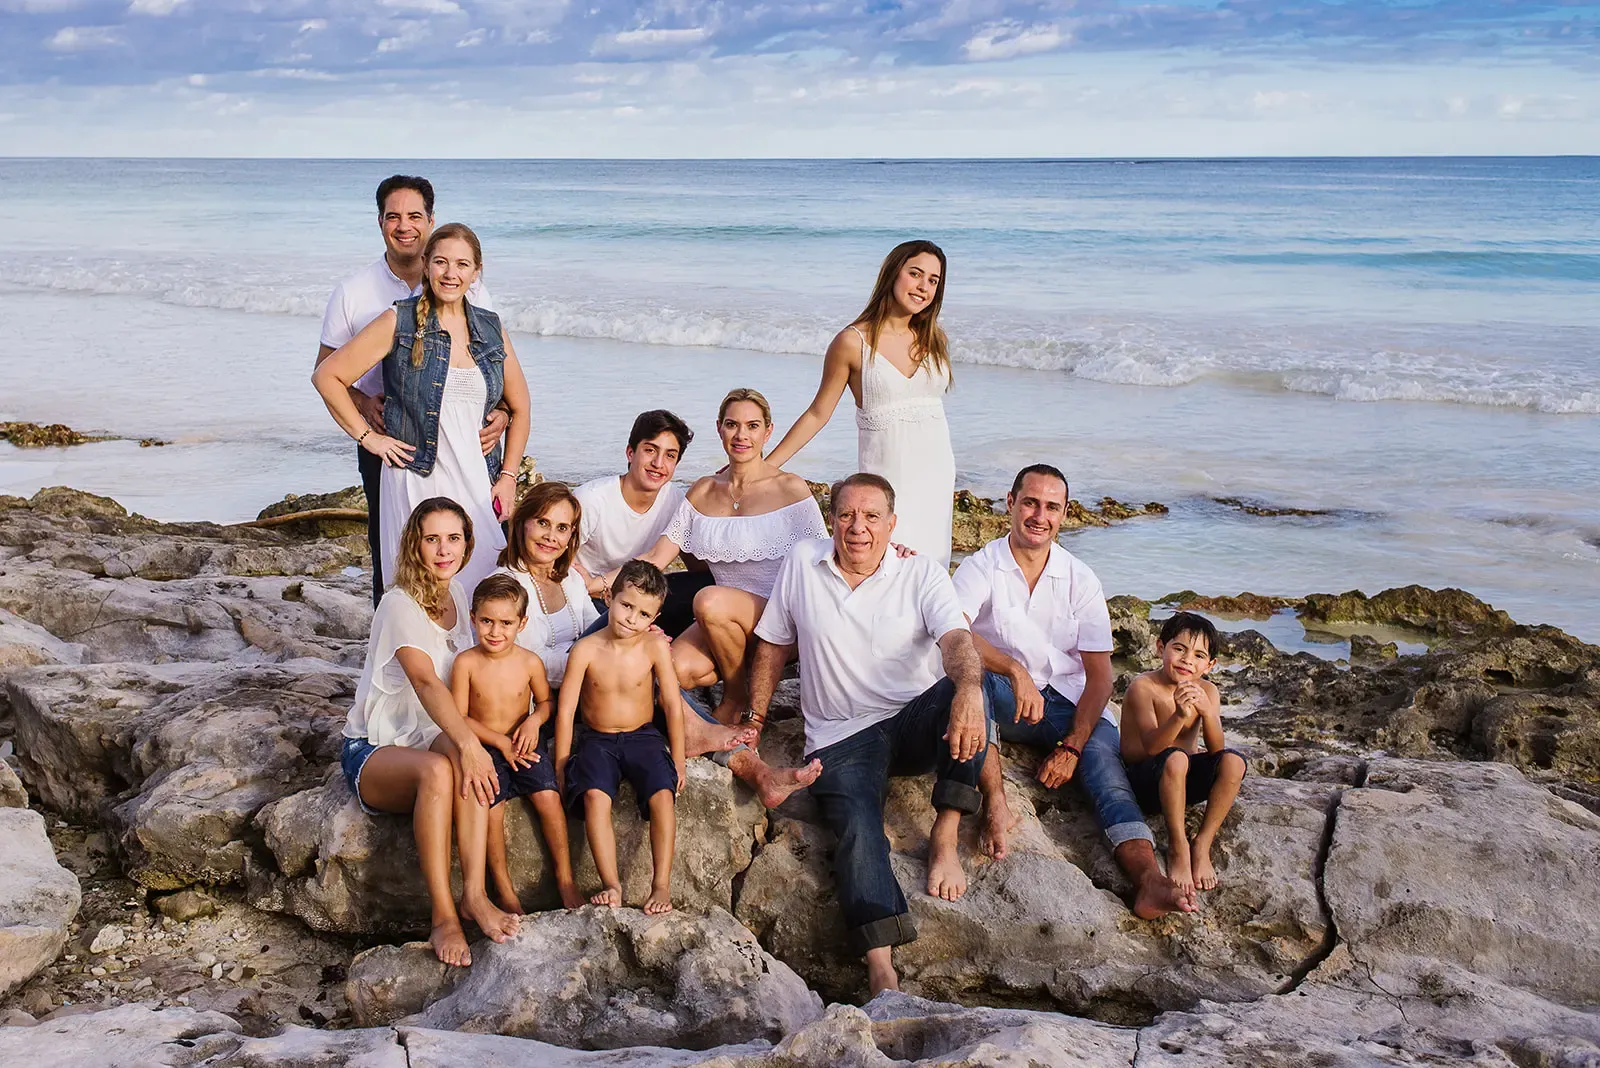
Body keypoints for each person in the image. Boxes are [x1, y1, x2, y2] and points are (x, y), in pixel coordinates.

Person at [745, 473, 989, 996]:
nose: (858, 528)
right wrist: (756, 721)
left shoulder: (919, 570)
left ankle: (944, 834)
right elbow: (770, 644)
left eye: (872, 516)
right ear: (831, 519)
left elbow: (956, 641)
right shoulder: (802, 564)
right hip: (839, 736)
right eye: (847, 515)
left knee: (967, 691)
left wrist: (969, 686)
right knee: (856, 828)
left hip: (910, 720)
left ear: (892, 523)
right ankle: (881, 965)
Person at [952, 463, 1196, 919]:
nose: (1038, 515)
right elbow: (956, 633)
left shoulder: (1081, 578)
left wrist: (1073, 746)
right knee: (969, 685)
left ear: (1064, 515)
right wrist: (1014, 669)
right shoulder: (981, 565)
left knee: (1106, 773)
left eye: (1051, 507)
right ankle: (996, 802)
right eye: (1030, 502)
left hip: (1068, 704)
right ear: (1010, 502)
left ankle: (1148, 880)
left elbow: (1101, 677)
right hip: (1006, 694)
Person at [337, 497, 519, 967]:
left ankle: (474, 896)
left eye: (454, 538)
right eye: (432, 538)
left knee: (470, 764)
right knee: (442, 771)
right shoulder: (399, 603)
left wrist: (486, 740)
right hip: (376, 745)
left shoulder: (458, 595)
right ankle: (442, 916)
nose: (444, 549)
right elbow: (425, 681)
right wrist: (468, 743)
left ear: (467, 543)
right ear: (415, 544)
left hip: (425, 731)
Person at [313, 223, 530, 602]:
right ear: (426, 264)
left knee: (482, 593)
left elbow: (521, 406)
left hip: (477, 481)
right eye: (442, 262)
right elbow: (327, 376)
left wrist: (508, 476)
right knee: (420, 597)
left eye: (462, 264)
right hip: (415, 480)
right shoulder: (399, 321)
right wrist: (369, 438)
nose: (451, 273)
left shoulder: (491, 329)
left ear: (476, 271)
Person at [495, 482, 756, 769]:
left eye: (562, 528)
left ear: (571, 535)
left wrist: (631, 641)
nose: (551, 536)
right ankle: (700, 732)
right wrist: (621, 648)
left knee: (640, 646)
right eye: (543, 523)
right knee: (637, 648)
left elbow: (587, 629)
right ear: (522, 523)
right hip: (554, 698)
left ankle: (756, 771)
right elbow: (534, 664)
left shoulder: (568, 577)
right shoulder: (506, 586)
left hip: (597, 680)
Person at [631, 389, 828, 725]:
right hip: (724, 625)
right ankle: (747, 671)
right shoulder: (703, 490)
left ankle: (737, 695)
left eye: (752, 426)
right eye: (732, 425)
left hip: (780, 620)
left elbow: (824, 559)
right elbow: (657, 555)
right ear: (719, 428)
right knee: (674, 671)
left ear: (768, 432)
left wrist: (891, 555)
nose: (741, 435)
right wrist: (604, 583)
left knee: (708, 600)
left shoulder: (791, 488)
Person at [765, 241, 955, 566]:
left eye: (933, 280)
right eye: (915, 274)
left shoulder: (934, 340)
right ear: (893, 273)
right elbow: (818, 412)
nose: (924, 287)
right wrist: (766, 468)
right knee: (883, 568)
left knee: (929, 570)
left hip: (936, 474)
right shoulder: (852, 342)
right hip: (886, 475)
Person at [554, 561, 686, 914]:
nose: (631, 618)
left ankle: (660, 885)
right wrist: (562, 763)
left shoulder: (654, 648)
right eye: (626, 606)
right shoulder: (585, 649)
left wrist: (679, 758)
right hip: (597, 739)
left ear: (654, 618)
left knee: (662, 795)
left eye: (643, 614)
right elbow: (566, 710)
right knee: (596, 797)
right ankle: (611, 883)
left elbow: (672, 705)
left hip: (643, 737)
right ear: (610, 598)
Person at [451, 572, 583, 912]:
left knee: (549, 799)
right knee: (492, 810)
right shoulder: (465, 663)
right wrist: (498, 741)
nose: (495, 632)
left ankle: (565, 879)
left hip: (524, 744)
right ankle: (505, 891)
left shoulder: (529, 662)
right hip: (485, 746)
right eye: (487, 621)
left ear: (522, 623)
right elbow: (459, 717)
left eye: (506, 623)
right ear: (473, 619)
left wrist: (534, 721)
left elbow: (546, 703)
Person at [1121, 612, 1246, 897]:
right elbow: (1152, 748)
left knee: (1233, 762)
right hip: (1145, 781)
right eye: (1179, 649)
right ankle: (1178, 846)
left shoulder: (1208, 691)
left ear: (1210, 665)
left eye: (1199, 655)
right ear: (1159, 647)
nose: (1187, 660)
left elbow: (1216, 751)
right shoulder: (1144, 687)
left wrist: (1207, 713)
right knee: (1176, 757)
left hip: (1181, 780)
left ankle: (1201, 844)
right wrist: (1179, 715)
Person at [572, 410, 710, 638]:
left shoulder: (676, 501)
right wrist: (590, 586)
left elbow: (697, 566)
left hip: (636, 598)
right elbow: (552, 563)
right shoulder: (592, 499)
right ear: (630, 452)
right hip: (589, 599)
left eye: (670, 455)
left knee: (707, 586)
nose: (658, 463)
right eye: (650, 450)